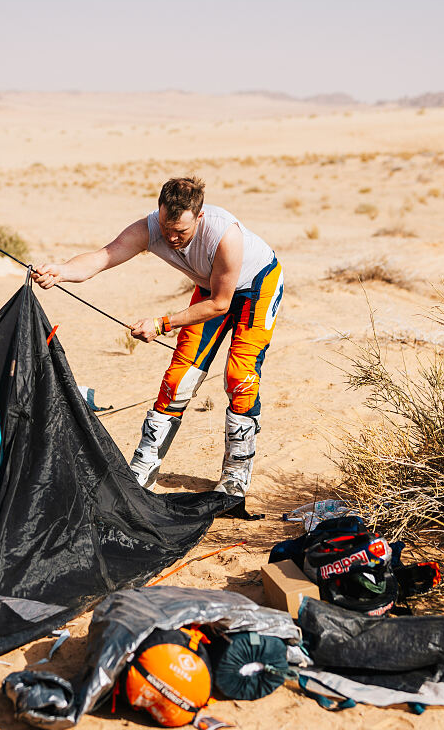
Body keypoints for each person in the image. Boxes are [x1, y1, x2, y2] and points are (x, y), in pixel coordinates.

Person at [33, 177, 283, 497]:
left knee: (240, 375)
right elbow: (103, 257)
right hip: (210, 288)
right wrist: (61, 271)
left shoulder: (225, 235)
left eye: (181, 231)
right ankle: (145, 467)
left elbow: (221, 303)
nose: (172, 237)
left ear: (200, 217)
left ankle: (236, 473)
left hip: (256, 287)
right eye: (167, 228)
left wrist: (163, 323)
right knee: (178, 379)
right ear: (160, 210)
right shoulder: (150, 228)